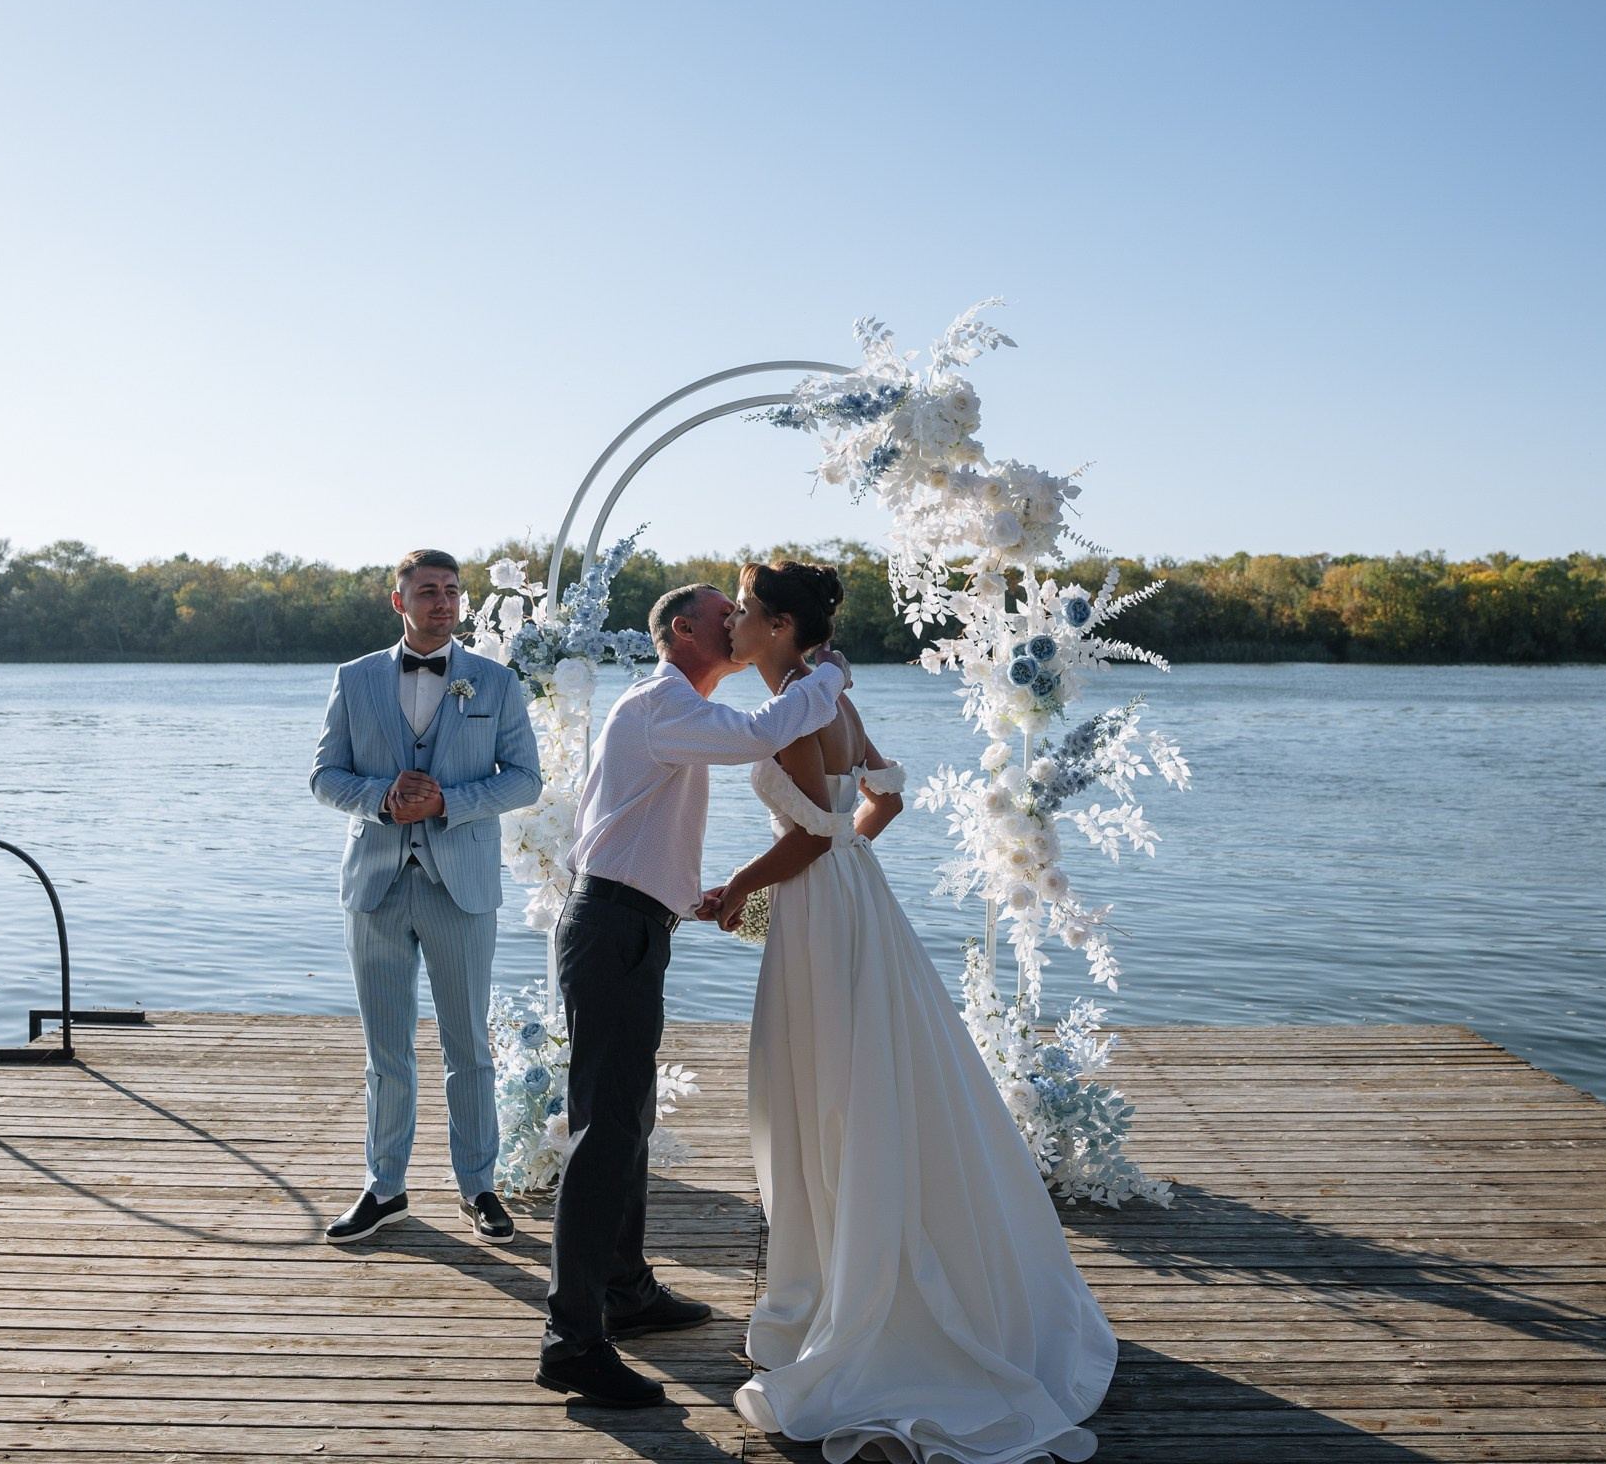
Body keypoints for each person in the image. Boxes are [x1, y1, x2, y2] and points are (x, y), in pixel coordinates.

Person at [708, 559, 1116, 1464]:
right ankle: (841, 1269)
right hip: (852, 900)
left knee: (828, 1090)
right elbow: (882, 800)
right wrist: (829, 869)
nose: (731, 624)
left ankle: (852, 1299)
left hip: (822, 910)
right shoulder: (830, 695)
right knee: (857, 1078)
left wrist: (738, 887)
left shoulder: (801, 706)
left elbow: (809, 837)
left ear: (778, 627)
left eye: (741, 611)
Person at [535, 581, 852, 1409]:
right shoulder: (659, 703)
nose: (738, 624)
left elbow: (638, 829)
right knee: (605, 1133)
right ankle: (572, 1343)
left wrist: (690, 894)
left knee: (627, 1120)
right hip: (611, 930)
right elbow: (761, 734)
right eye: (725, 615)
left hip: (630, 923)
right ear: (683, 630)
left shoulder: (675, 711)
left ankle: (625, 1291)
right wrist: (827, 672)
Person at [309, 548, 542, 1246]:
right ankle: (385, 1187)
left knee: (468, 1044)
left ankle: (478, 1186)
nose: (443, 602)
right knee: (386, 1050)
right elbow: (325, 777)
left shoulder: (495, 682)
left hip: (460, 886)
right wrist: (382, 796)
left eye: (452, 591)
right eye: (428, 591)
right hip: (375, 885)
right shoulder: (354, 679)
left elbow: (525, 779)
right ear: (399, 601)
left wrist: (450, 801)